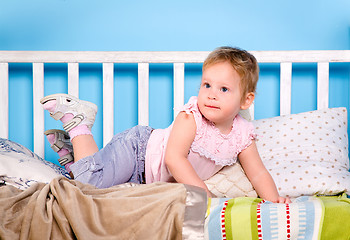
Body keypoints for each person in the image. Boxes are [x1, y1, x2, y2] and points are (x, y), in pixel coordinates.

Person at [41, 46, 290, 203]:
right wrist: (206, 197)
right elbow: (174, 159)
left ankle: (75, 158)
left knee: (102, 195)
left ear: (246, 100)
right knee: (85, 189)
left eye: (224, 89)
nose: (211, 94)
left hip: (146, 179)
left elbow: (257, 172)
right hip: (137, 151)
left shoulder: (243, 134)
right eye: (207, 85)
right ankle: (79, 126)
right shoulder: (191, 116)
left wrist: (274, 199)